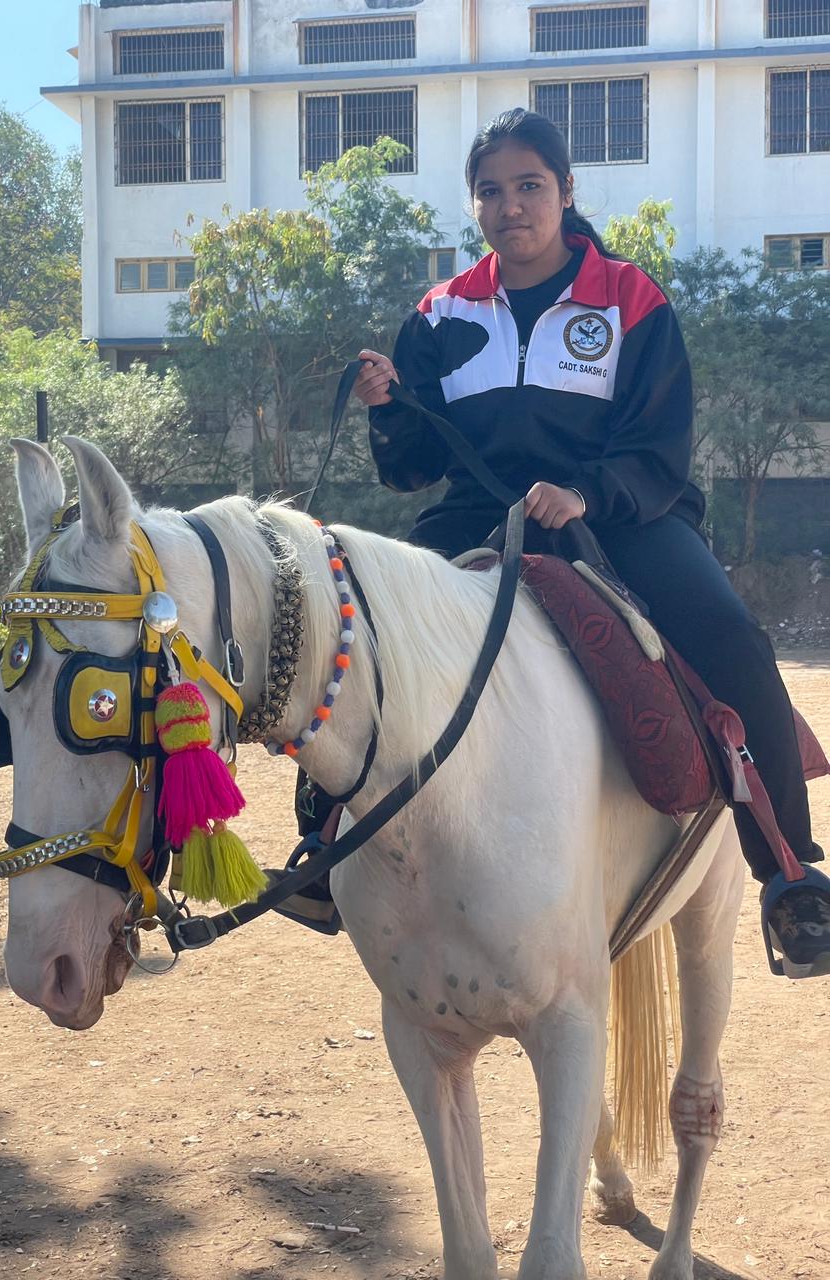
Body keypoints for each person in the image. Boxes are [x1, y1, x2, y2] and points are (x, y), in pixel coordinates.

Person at [281, 107, 830, 977]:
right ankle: (321, 839)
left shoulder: (631, 298)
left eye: (530, 186)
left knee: (734, 639)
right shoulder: (436, 314)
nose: (512, 207)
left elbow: (660, 446)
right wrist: (389, 408)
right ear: (476, 207)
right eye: (491, 192)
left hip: (619, 511)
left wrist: (586, 494)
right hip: (477, 513)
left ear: (567, 193)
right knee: (362, 623)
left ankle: (792, 874)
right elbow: (413, 468)